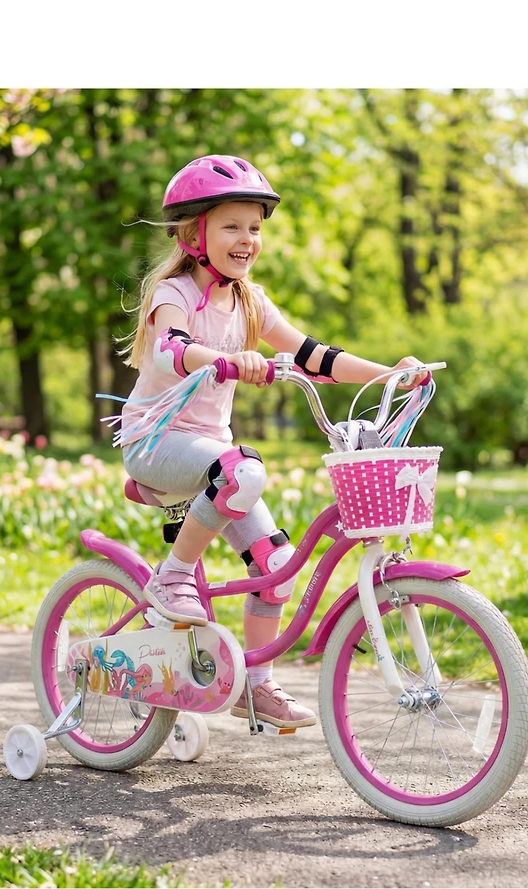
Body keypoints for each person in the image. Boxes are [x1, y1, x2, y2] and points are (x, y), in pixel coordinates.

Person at [118, 154, 424, 730]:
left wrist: (390, 374)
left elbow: (314, 355)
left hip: (212, 453)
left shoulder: (250, 301)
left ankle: (256, 686)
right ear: (194, 235)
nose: (247, 239)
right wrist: (227, 360)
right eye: (232, 226)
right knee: (243, 471)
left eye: (255, 228)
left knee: (277, 565)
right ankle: (173, 576)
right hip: (156, 443)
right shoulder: (173, 293)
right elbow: (172, 348)